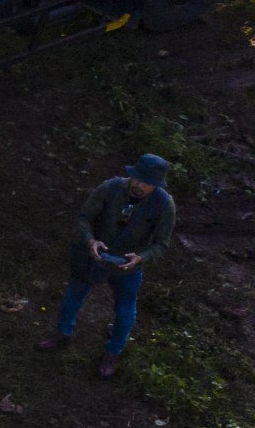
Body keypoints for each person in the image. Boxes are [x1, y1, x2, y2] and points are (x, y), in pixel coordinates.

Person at [38, 153, 176, 377]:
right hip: (95, 257)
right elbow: (84, 217)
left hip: (127, 267)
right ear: (132, 175)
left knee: (125, 310)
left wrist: (141, 257)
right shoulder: (110, 188)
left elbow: (162, 244)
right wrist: (90, 240)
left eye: (148, 183)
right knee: (74, 295)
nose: (141, 186)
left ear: (156, 185)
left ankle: (113, 352)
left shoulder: (164, 204)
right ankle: (61, 334)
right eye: (138, 179)